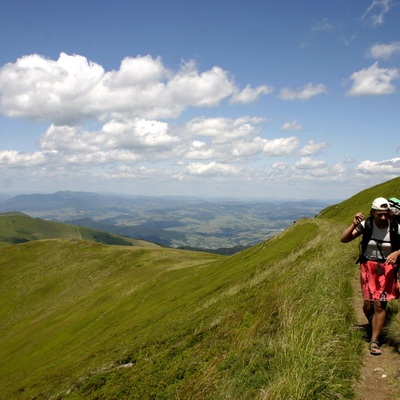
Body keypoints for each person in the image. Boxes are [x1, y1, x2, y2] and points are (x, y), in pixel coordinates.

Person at [340, 197, 400, 355]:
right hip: (368, 267)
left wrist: (397, 252)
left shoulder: (395, 227)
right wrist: (354, 223)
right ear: (372, 212)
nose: (383, 217)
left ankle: (374, 340)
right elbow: (344, 239)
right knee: (368, 304)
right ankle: (374, 322)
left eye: (385, 214)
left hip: (387, 269)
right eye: (379, 214)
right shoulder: (366, 224)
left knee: (380, 304)